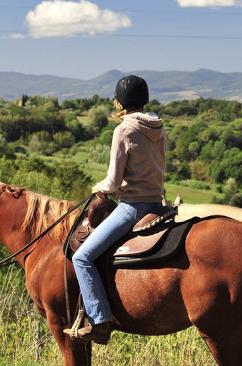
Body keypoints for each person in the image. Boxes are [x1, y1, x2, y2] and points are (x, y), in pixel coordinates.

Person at [63, 75, 166, 345]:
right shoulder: (158, 126)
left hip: (133, 207)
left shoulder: (123, 130)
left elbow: (112, 180)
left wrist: (103, 188)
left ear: (119, 101)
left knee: (82, 258)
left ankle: (100, 321)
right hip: (158, 202)